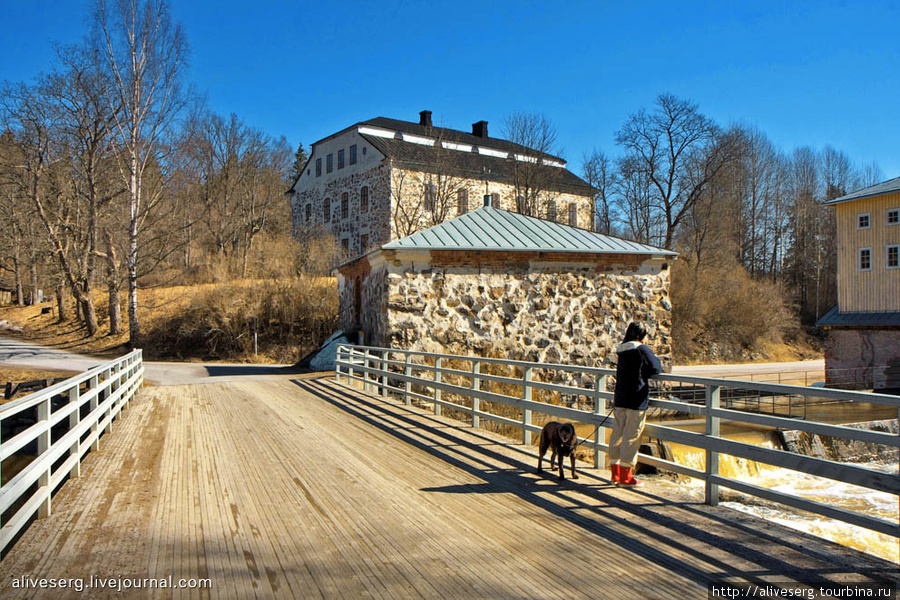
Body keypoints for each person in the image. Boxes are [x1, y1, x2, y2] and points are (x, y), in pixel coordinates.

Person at [609, 322, 662, 487]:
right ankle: (626, 477)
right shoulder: (640, 348)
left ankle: (615, 474)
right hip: (636, 400)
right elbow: (656, 367)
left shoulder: (622, 349)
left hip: (620, 399)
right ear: (642, 335)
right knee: (631, 437)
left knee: (617, 435)